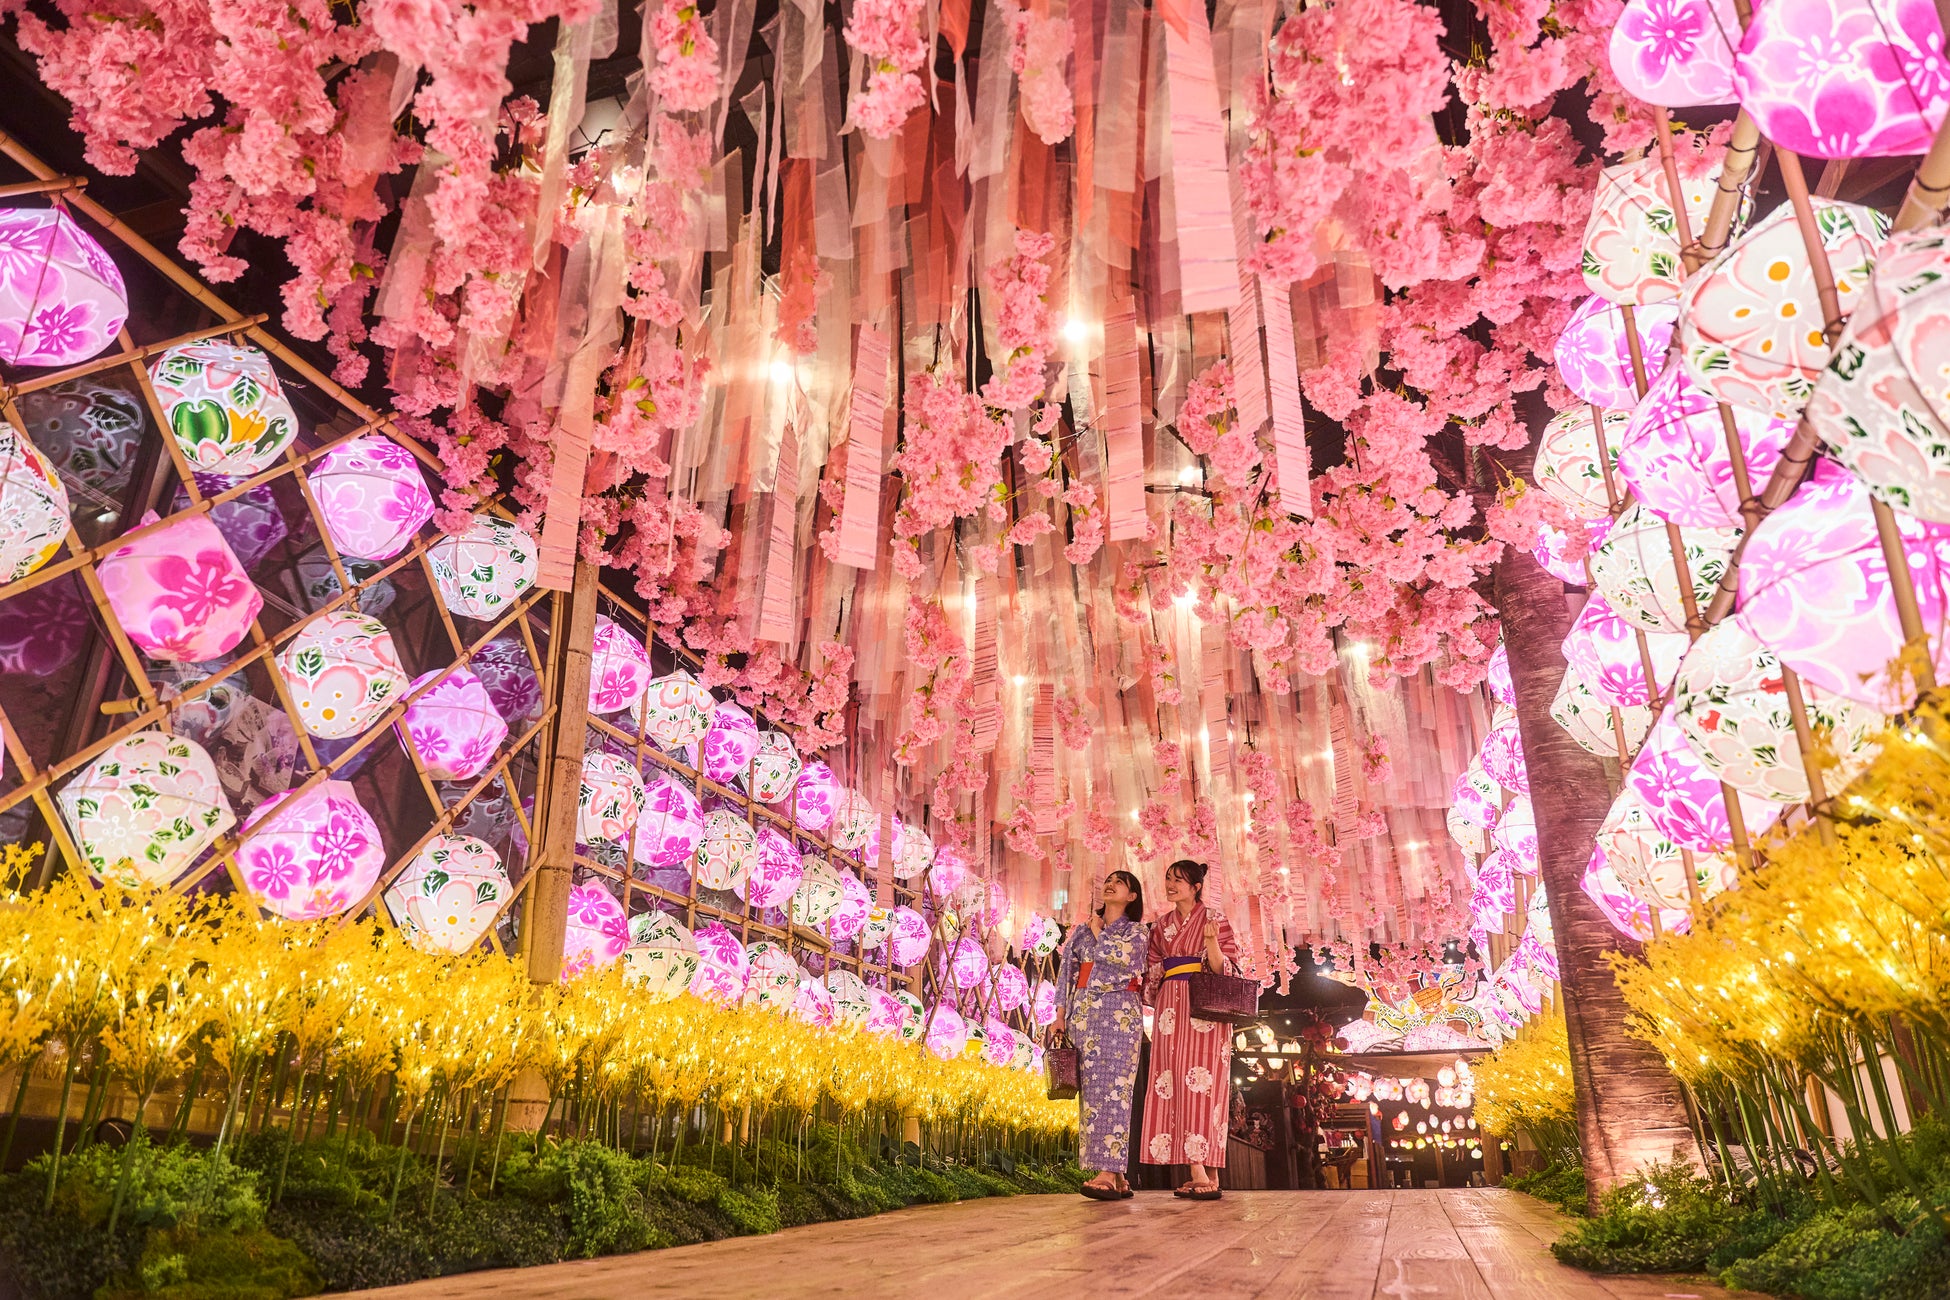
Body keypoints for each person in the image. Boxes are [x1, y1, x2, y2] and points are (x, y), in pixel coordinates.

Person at [1140, 859, 1240, 1201]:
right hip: (1171, 1005)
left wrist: (1211, 943)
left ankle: (1204, 1166)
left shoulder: (1215, 919)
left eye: (1179, 880)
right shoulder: (1160, 926)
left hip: (1204, 1006)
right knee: (1172, 1079)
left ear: (1196, 886)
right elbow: (1154, 970)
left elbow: (1224, 968)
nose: (1171, 885)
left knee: (1206, 1080)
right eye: (1168, 878)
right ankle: (1198, 1166)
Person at [1052, 870, 1148, 1201]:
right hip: (1085, 1015)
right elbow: (1067, 972)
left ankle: (1107, 1171)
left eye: (1119, 883)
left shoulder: (1136, 932)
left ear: (1131, 897)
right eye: (1108, 880)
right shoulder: (1081, 931)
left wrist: (1100, 934)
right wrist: (1060, 1015)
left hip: (1120, 1015)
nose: (1110, 885)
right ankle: (1117, 1175)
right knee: (1092, 1095)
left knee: (1116, 1091)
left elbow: (1127, 962)